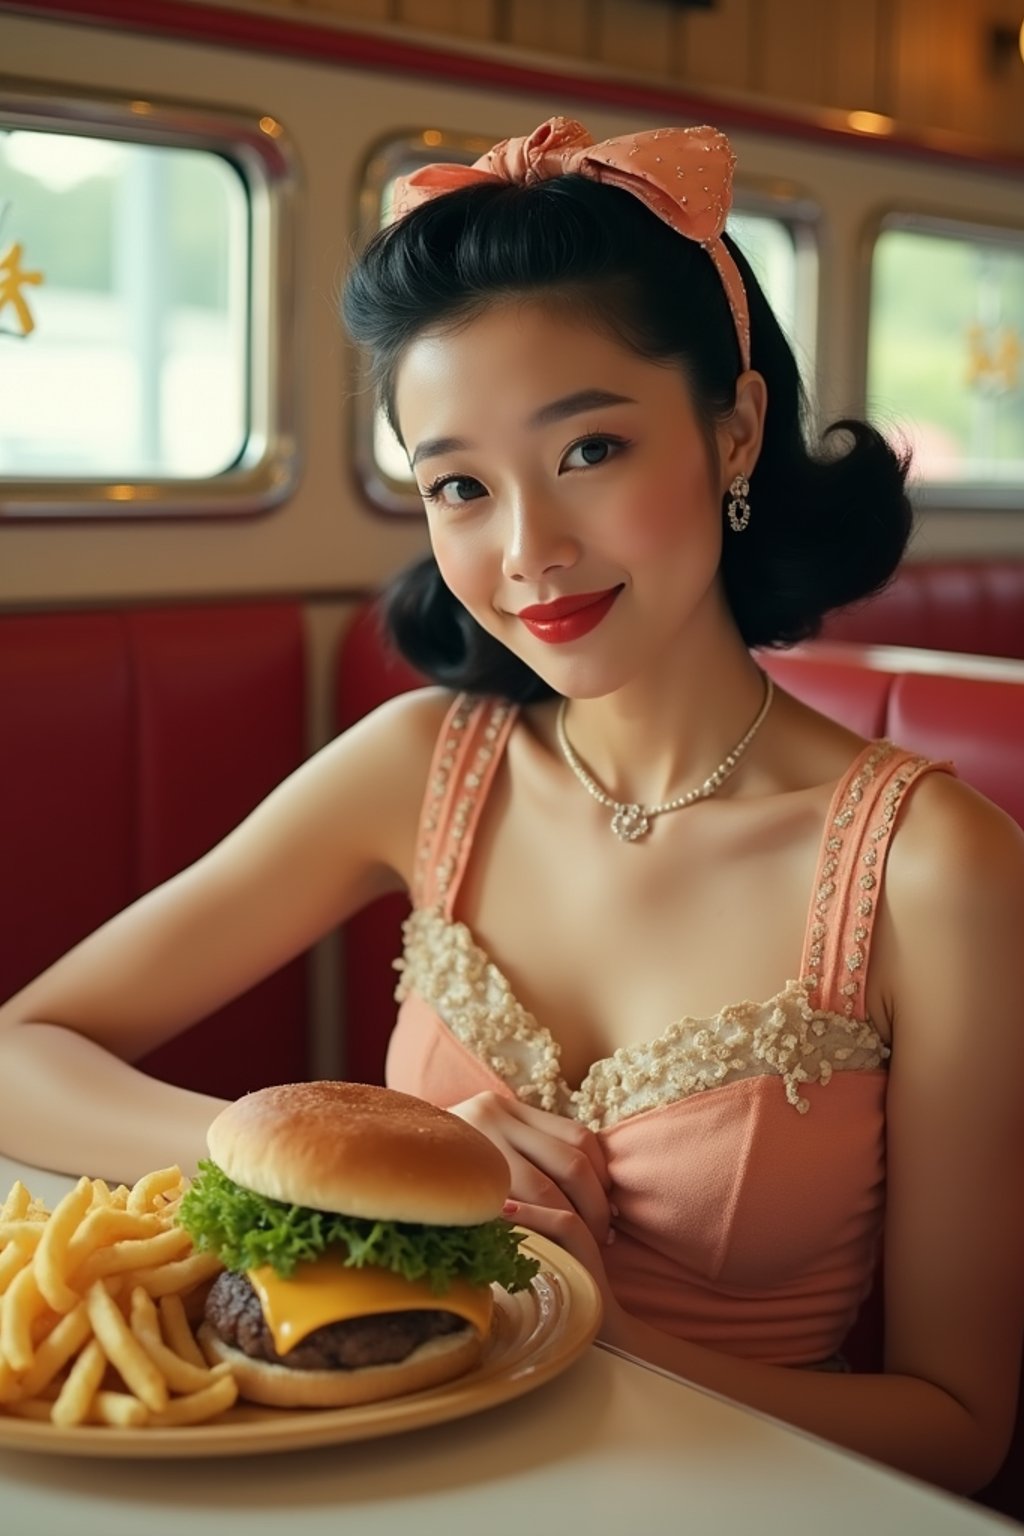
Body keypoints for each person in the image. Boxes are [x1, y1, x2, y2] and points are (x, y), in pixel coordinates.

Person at [1, 117, 1022, 1494]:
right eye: (460, 486)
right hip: (379, 1473)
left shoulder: (933, 869)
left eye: (590, 450)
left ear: (735, 429)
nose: (528, 550)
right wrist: (365, 1163)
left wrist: (574, 1316)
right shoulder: (426, 760)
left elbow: (959, 1431)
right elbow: (23, 1050)